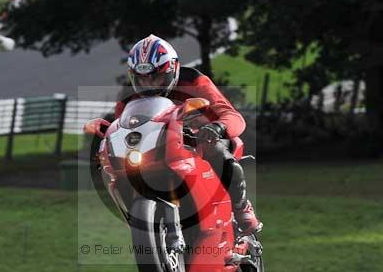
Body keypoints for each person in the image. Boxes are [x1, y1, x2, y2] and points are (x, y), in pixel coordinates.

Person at [92, 34, 262, 235]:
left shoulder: (194, 81)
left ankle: (241, 207)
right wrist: (107, 147)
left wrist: (217, 128)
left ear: (172, 70)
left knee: (216, 149)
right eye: (142, 79)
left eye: (157, 77)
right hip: (156, 149)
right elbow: (123, 129)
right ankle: (144, 224)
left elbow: (231, 115)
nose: (149, 85)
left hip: (200, 139)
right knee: (117, 172)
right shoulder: (129, 100)